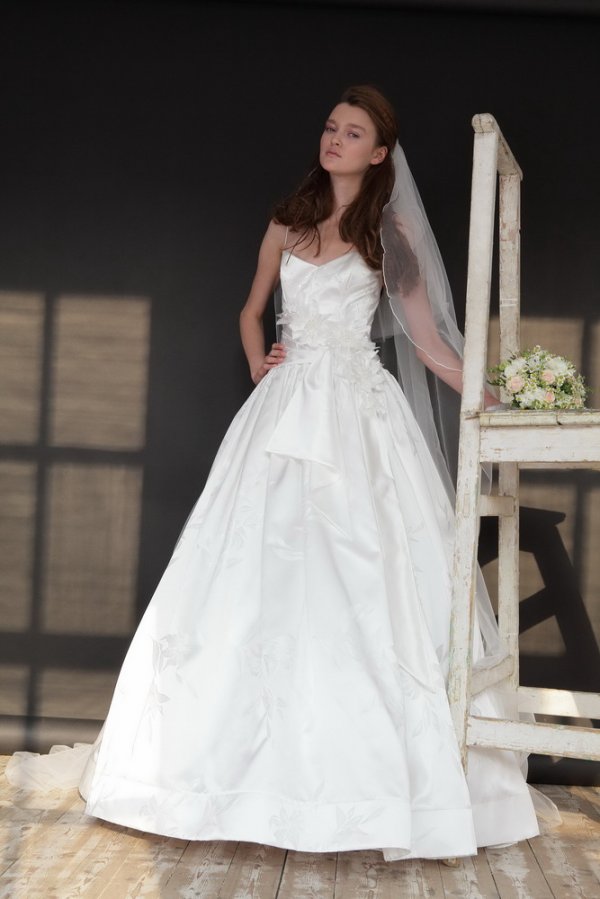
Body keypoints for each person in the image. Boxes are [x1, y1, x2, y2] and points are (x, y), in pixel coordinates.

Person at [6, 85, 561, 862]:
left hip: (360, 418)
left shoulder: (391, 232)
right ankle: (230, 781)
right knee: (250, 574)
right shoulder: (287, 222)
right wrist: (260, 364)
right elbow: (250, 311)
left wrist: (501, 400)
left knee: (367, 575)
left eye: (353, 132)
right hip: (285, 408)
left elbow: (431, 345)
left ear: (380, 153)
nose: (335, 139)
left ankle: (371, 787)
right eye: (331, 127)